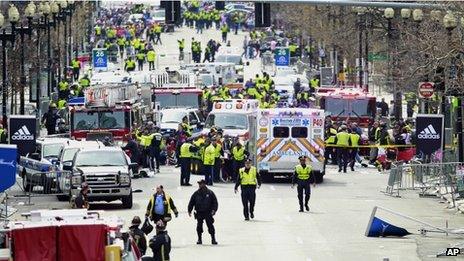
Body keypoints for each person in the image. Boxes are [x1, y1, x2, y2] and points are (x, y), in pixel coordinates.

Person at [188, 180, 218, 245]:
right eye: (199, 184)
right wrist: (189, 210)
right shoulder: (196, 193)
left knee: (210, 226)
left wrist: (214, 210)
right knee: (199, 226)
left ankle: (213, 239)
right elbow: (191, 202)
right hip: (199, 212)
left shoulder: (210, 193)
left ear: (204, 184)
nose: (199, 185)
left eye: (201, 184)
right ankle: (199, 239)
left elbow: (215, 202)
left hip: (208, 212)